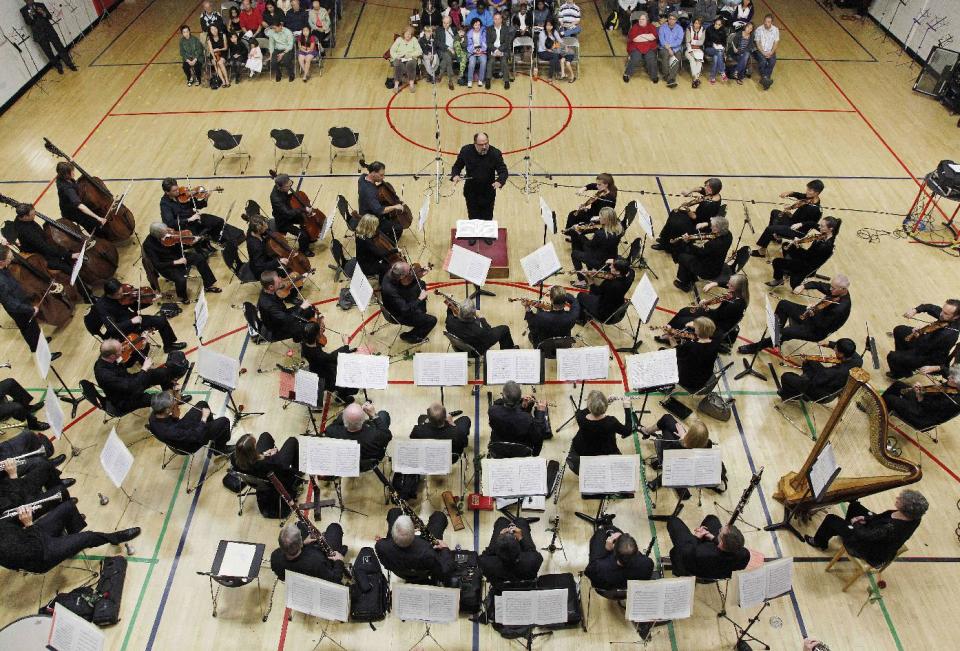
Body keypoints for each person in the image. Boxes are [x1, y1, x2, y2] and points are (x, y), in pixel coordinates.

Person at [0, 499, 139, 573]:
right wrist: (29, 523)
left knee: (68, 507)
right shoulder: (3, 549)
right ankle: (114, 538)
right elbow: (34, 551)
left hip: (32, 536)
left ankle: (72, 546)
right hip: (41, 555)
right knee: (87, 537)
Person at [804, 490, 928, 567]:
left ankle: (819, 542)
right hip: (877, 534)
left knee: (831, 519)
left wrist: (856, 523)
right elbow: (881, 518)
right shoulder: (914, 517)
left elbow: (865, 536)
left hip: (869, 548)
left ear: (906, 508)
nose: (897, 498)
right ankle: (845, 529)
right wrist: (865, 518)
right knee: (855, 506)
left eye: (900, 500)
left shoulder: (891, 528)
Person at [739, 275, 852, 355]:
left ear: (843, 289)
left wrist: (813, 311)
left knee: (786, 332)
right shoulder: (835, 291)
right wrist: (803, 286)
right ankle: (776, 340)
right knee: (783, 304)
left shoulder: (840, 308)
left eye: (833, 288)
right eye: (831, 286)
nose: (830, 289)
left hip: (817, 330)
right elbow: (818, 284)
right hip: (813, 314)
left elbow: (823, 325)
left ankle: (756, 347)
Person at [93, 339, 189, 413]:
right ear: (112, 356)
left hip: (130, 382)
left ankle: (175, 399)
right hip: (125, 398)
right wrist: (144, 369)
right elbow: (132, 387)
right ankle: (168, 409)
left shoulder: (108, 358)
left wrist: (143, 348)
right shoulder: (105, 375)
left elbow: (129, 363)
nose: (123, 349)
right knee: (158, 400)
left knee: (162, 373)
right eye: (120, 350)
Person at [94, 279, 186, 353]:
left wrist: (149, 301)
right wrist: (131, 321)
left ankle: (169, 346)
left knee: (161, 320)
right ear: (109, 295)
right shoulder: (102, 307)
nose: (122, 295)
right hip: (124, 329)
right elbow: (111, 328)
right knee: (144, 348)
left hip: (135, 319)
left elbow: (134, 305)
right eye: (118, 294)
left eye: (122, 291)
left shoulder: (123, 295)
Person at [0, 244, 61, 356]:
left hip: (22, 303)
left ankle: (40, 342)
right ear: (1, 262)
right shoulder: (1, 282)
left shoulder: (4, 269)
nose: (11, 259)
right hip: (19, 309)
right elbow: (11, 304)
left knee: (33, 327)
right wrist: (30, 309)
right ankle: (42, 354)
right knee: (29, 331)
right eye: (9, 258)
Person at [142, 223, 222, 304]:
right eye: (165, 233)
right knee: (181, 278)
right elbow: (157, 264)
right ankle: (183, 297)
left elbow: (178, 243)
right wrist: (175, 262)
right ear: (157, 235)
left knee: (199, 258)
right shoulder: (148, 245)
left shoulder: (169, 233)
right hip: (167, 265)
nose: (168, 233)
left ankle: (208, 285)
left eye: (167, 230)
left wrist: (191, 242)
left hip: (178, 256)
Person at [886, 299, 960, 379]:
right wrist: (916, 310)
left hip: (929, 357)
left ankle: (901, 373)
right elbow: (931, 307)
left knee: (892, 356)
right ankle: (904, 363)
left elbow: (924, 345)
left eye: (946, 313)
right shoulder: (946, 316)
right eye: (942, 310)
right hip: (927, 340)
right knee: (899, 330)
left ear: (956, 316)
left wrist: (920, 332)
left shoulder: (948, 335)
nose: (941, 314)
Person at [751, 180, 825, 259]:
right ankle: (775, 237)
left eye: (809, 190)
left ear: (816, 193)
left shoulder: (815, 210)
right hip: (793, 221)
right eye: (807, 189)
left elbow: (811, 224)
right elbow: (799, 195)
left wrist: (797, 220)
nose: (806, 192)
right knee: (775, 212)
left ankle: (762, 251)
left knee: (770, 229)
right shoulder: (810, 198)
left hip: (797, 230)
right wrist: (790, 193)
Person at [665, 272, 748, 340]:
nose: (727, 285)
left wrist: (705, 307)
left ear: (735, 288)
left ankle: (671, 337)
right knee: (685, 310)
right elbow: (726, 282)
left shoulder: (736, 305)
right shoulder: (738, 292)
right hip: (716, 315)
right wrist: (714, 283)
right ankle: (668, 328)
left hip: (716, 325)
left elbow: (718, 317)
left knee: (684, 321)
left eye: (730, 285)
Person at [375, 512, 452, 583]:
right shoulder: (429, 551)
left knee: (394, 512)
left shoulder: (380, 546)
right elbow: (444, 572)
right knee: (439, 516)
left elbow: (385, 562)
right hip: (423, 572)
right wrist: (445, 548)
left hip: (400, 572)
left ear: (392, 533)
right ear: (414, 532)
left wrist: (384, 541)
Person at [766, 217, 840, 289]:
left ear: (831, 229)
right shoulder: (827, 234)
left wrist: (797, 245)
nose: (819, 227)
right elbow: (813, 224)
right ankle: (787, 269)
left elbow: (807, 256)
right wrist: (801, 224)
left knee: (776, 262)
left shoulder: (826, 246)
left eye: (822, 226)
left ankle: (779, 279)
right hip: (808, 256)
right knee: (786, 245)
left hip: (806, 265)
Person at [778, 338, 862, 402]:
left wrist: (807, 363)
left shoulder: (836, 372)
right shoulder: (858, 361)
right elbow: (823, 373)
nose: (834, 349)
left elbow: (815, 380)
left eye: (836, 348)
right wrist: (829, 344)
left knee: (786, 376)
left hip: (820, 393)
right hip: (831, 386)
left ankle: (789, 395)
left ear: (841, 354)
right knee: (810, 363)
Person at [640, 414, 710, 491]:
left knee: (666, 423)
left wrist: (682, 440)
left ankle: (646, 431)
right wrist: (683, 437)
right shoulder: (706, 444)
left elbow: (667, 452)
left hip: (671, 458)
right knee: (667, 418)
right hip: (684, 448)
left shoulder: (673, 444)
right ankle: (647, 431)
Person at [148, 391, 233, 454]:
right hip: (190, 443)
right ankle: (220, 449)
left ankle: (214, 433)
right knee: (224, 422)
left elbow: (176, 427)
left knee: (202, 404)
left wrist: (175, 418)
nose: (176, 402)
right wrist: (203, 419)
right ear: (167, 410)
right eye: (173, 403)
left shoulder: (154, 414)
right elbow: (196, 435)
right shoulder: (170, 431)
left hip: (182, 430)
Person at [667, 514, 749, 579]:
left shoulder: (701, 552)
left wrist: (696, 537)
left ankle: (679, 572)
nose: (719, 530)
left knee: (673, 521)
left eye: (720, 531)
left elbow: (687, 552)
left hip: (694, 566)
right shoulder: (745, 554)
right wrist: (712, 538)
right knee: (711, 519)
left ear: (721, 543)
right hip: (718, 572)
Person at [653, 178, 723, 253]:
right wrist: (689, 191)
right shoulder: (715, 194)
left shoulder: (709, 205)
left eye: (707, 186)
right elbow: (700, 189)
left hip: (699, 225)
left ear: (710, 189)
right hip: (698, 217)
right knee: (674, 213)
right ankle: (665, 238)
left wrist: (687, 210)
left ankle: (667, 245)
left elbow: (695, 218)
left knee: (675, 222)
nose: (704, 187)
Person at [882, 364, 960, 430]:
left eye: (952, 378)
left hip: (922, 416)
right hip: (926, 400)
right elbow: (945, 370)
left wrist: (919, 395)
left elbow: (929, 407)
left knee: (890, 399)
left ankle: (880, 414)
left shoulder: (953, 401)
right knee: (898, 385)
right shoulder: (954, 382)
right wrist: (934, 368)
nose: (949, 377)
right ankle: (880, 406)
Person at [569, 392, 632, 474]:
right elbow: (627, 431)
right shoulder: (611, 422)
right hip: (606, 452)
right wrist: (627, 408)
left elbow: (587, 410)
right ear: (605, 407)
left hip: (583, 451)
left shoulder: (580, 417)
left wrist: (601, 404)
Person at [451, 133, 509, 222]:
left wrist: (499, 181)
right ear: (475, 144)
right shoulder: (466, 151)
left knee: (487, 220)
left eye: (486, 143)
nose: (484, 147)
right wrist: (455, 175)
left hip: (488, 192)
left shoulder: (495, 153)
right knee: (473, 220)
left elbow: (503, 171)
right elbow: (457, 166)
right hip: (471, 192)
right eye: (481, 145)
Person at [301, 321, 359, 405]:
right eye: (319, 330)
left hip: (316, 368)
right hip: (325, 377)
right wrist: (345, 345)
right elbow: (331, 357)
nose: (322, 330)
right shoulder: (319, 355)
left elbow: (329, 357)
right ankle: (342, 397)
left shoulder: (304, 344)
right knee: (351, 380)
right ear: (316, 336)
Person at [10, 203, 78, 274]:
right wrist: (69, 255)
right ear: (24, 217)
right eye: (32, 215)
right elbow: (45, 248)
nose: (35, 215)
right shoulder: (27, 232)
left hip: (43, 244)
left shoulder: (20, 218)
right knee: (66, 267)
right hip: (40, 256)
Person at [672, 215, 733, 293]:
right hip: (717, 264)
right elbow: (719, 226)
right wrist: (706, 224)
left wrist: (688, 242)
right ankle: (690, 276)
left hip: (707, 270)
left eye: (713, 226)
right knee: (688, 255)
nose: (711, 228)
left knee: (682, 257)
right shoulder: (728, 235)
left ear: (717, 230)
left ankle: (686, 284)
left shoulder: (714, 244)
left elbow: (699, 253)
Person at [489, 381, 550, 456]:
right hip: (521, 451)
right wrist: (540, 412)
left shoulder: (493, 411)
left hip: (498, 449)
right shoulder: (527, 419)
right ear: (519, 398)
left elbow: (505, 409)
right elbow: (538, 435)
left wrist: (522, 406)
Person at [380, 262, 437, 343]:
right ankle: (410, 337)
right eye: (410, 271)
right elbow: (405, 309)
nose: (411, 272)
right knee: (432, 320)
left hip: (397, 301)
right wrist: (420, 299)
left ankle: (421, 314)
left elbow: (403, 283)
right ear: (402, 276)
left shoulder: (392, 272)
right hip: (398, 314)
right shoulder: (390, 289)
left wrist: (416, 275)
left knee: (420, 283)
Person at [271, 522, 347, 582]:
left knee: (300, 524)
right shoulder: (317, 561)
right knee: (334, 527)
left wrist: (303, 544)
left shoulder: (275, 557)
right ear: (299, 543)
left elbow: (282, 577)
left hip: (299, 577)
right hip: (318, 567)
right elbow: (335, 579)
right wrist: (339, 561)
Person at [479, 515, 543, 585]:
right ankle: (520, 521)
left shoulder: (485, 564)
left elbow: (487, 553)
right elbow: (531, 550)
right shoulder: (533, 561)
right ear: (519, 549)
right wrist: (521, 538)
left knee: (501, 521)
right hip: (523, 583)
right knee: (521, 521)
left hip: (500, 587)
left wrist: (500, 538)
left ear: (497, 551)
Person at [159, 177, 224, 245]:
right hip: (184, 226)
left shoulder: (183, 195)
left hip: (195, 218)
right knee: (197, 237)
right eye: (174, 191)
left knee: (218, 221)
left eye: (177, 188)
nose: (178, 191)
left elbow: (198, 205)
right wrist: (189, 219)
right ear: (167, 192)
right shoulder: (165, 204)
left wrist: (206, 198)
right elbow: (170, 223)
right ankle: (206, 242)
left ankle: (216, 239)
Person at [257, 270, 315, 342]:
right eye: (278, 283)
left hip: (282, 314)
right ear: (271, 287)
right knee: (307, 329)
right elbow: (288, 319)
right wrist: (301, 308)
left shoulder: (266, 290)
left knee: (310, 309)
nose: (281, 282)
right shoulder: (269, 305)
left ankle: (303, 328)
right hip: (278, 327)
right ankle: (301, 338)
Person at [325, 402, 392, 465]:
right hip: (371, 464)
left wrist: (346, 415)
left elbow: (331, 427)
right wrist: (374, 415)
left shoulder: (332, 432)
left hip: (347, 462)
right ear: (364, 420)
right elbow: (387, 435)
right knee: (383, 414)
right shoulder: (376, 435)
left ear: (344, 421)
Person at [585, 529, 653, 590]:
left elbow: (588, 572)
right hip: (628, 589)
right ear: (636, 551)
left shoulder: (598, 567)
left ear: (614, 551)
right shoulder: (647, 564)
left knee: (600, 533)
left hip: (607, 588)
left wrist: (607, 550)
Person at [20, 1, 76, 74]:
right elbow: (28, 22)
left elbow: (49, 16)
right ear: (25, 0)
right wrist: (30, 15)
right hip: (39, 35)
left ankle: (70, 64)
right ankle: (58, 67)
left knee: (60, 47)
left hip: (49, 31)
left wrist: (43, 12)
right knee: (49, 53)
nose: (30, 0)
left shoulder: (40, 5)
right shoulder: (23, 10)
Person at [358, 162, 406, 242]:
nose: (383, 177)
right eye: (381, 175)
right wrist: (395, 206)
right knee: (399, 228)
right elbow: (379, 210)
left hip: (364, 210)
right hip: (371, 220)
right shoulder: (370, 192)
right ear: (373, 173)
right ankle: (387, 245)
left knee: (389, 213)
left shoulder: (362, 178)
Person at [445, 300, 516, 354]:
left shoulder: (450, 323)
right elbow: (489, 332)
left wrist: (451, 309)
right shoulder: (478, 331)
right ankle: (508, 353)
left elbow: (450, 315)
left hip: (461, 348)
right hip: (478, 349)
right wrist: (481, 318)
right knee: (504, 329)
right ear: (473, 312)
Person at [570, 207, 624, 279]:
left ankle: (581, 280)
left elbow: (589, 245)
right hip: (611, 256)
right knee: (581, 243)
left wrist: (579, 232)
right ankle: (589, 269)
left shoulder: (600, 234)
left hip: (599, 260)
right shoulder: (619, 229)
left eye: (600, 218)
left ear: (606, 220)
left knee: (574, 253)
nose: (599, 219)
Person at [55, 162, 106, 235]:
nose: (74, 174)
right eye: (72, 173)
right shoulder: (67, 189)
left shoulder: (60, 176)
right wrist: (98, 218)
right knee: (92, 223)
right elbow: (80, 206)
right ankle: (98, 237)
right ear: (66, 175)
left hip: (70, 203)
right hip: (72, 212)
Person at [270, 173, 314, 256]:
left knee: (304, 219)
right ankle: (304, 251)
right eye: (288, 187)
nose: (290, 188)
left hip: (289, 211)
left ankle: (310, 237)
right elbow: (287, 213)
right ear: (280, 187)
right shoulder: (276, 199)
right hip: (283, 221)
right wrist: (303, 209)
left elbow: (288, 200)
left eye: (291, 184)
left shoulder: (282, 186)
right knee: (302, 235)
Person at [674, 317, 721, 392]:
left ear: (697, 331)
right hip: (704, 376)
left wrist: (673, 340)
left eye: (695, 328)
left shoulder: (691, 346)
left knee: (664, 353)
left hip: (689, 381)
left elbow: (675, 354)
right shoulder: (716, 342)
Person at [245, 215, 285, 282]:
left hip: (266, 257)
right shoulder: (255, 246)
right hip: (260, 270)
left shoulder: (252, 230)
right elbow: (260, 266)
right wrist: (278, 262)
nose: (266, 225)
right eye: (264, 226)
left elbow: (268, 231)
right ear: (259, 230)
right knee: (284, 274)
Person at [624, 12, 659, 83]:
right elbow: (635, 39)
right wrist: (647, 36)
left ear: (647, 20)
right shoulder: (634, 27)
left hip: (649, 47)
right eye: (639, 19)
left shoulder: (651, 27)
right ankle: (627, 74)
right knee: (635, 58)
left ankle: (654, 76)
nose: (640, 20)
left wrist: (641, 35)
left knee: (651, 58)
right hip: (636, 46)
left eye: (643, 19)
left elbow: (653, 37)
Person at [354, 214, 392, 279]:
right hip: (366, 265)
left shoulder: (359, 233)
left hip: (363, 258)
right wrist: (395, 250)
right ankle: (382, 283)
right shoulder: (366, 241)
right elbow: (380, 254)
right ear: (370, 227)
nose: (376, 228)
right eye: (375, 226)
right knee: (387, 267)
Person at [485, 12, 514, 89]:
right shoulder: (489, 29)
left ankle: (506, 81)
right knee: (490, 61)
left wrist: (500, 50)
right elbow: (488, 43)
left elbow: (507, 42)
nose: (497, 21)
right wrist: (495, 50)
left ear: (501, 20)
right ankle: (488, 79)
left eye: (499, 19)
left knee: (504, 61)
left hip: (503, 50)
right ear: (493, 20)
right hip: (492, 50)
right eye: (495, 19)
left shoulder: (506, 29)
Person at [390, 26, 423, 93]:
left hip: (410, 58)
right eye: (407, 34)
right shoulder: (399, 39)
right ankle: (396, 86)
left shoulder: (414, 40)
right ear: (403, 33)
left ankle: (411, 85)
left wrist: (410, 54)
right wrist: (397, 56)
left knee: (411, 64)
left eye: (410, 34)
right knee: (398, 64)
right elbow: (392, 50)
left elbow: (420, 51)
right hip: (399, 58)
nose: (408, 35)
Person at [657, 12, 684, 88]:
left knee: (677, 56)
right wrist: (669, 49)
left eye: (673, 19)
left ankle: (670, 78)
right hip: (664, 47)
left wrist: (672, 47)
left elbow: (679, 41)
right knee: (665, 55)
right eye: (670, 19)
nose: (671, 21)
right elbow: (662, 40)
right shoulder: (662, 27)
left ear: (676, 20)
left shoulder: (679, 28)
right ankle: (666, 75)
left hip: (676, 48)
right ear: (667, 19)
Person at [753, 13, 778, 89]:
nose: (766, 23)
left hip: (770, 51)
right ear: (764, 21)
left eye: (768, 22)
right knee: (763, 61)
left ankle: (765, 78)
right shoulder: (759, 30)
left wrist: (772, 52)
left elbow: (776, 43)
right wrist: (763, 52)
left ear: (771, 22)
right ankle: (766, 78)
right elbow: (757, 43)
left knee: (772, 61)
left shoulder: (775, 30)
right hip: (760, 50)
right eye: (765, 21)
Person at [437, 15, 462, 90]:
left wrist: (460, 38)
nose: (445, 25)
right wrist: (448, 48)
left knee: (447, 59)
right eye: (444, 23)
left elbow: (458, 40)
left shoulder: (454, 30)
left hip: (454, 51)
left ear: (450, 23)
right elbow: (438, 43)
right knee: (448, 58)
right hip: (443, 51)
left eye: (447, 23)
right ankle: (450, 80)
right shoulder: (439, 30)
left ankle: (440, 74)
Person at [465, 18, 488, 88]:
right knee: (472, 62)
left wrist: (481, 50)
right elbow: (468, 45)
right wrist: (474, 50)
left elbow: (484, 43)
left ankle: (480, 80)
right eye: (475, 25)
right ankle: (469, 80)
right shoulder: (469, 33)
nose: (477, 26)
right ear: (472, 26)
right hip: (472, 51)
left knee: (483, 61)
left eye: (479, 25)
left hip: (482, 50)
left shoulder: (483, 32)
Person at [705, 16, 727, 83]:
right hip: (709, 48)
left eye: (719, 25)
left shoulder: (723, 31)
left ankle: (712, 77)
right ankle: (722, 72)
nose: (717, 25)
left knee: (716, 57)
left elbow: (724, 43)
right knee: (719, 53)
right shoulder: (709, 29)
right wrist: (713, 44)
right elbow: (706, 42)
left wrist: (721, 45)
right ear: (714, 23)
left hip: (719, 49)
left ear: (721, 25)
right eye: (716, 24)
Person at [685, 17, 705, 88]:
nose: (697, 25)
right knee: (692, 60)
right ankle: (696, 78)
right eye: (695, 23)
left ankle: (695, 79)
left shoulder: (703, 30)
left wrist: (692, 41)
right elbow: (687, 42)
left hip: (699, 50)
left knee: (699, 61)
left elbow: (701, 42)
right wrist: (690, 50)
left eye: (698, 24)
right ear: (693, 23)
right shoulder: (689, 29)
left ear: (700, 25)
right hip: (689, 49)